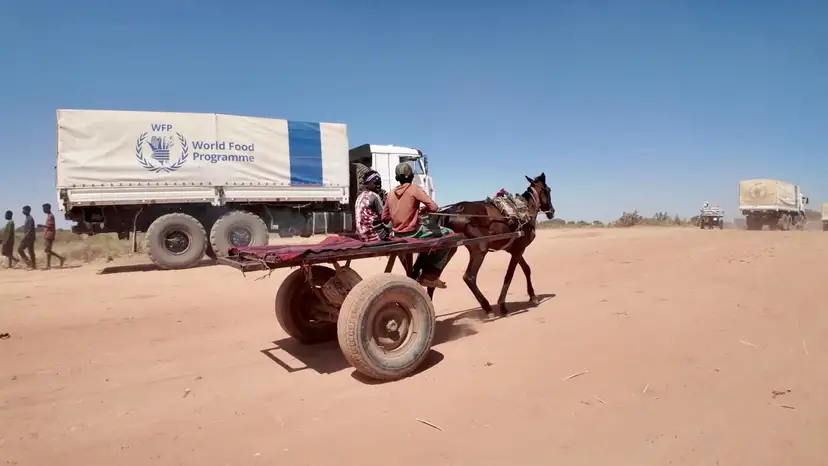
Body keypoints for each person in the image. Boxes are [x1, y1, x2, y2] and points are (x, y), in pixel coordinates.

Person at [381, 162, 453, 289]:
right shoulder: (414, 189)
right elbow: (434, 207)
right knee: (449, 234)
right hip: (414, 233)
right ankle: (431, 274)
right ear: (411, 176)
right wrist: (424, 209)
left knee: (432, 234)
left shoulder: (391, 194)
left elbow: (384, 218)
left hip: (397, 234)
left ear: (397, 177)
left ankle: (418, 269)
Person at [354, 170, 391, 242]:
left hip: (362, 236)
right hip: (374, 236)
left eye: (380, 183)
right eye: (375, 183)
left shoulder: (359, 197)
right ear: (367, 184)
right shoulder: (374, 196)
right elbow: (384, 217)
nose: (378, 186)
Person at [41, 203, 65, 269]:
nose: (43, 210)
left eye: (44, 208)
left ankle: (61, 258)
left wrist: (42, 226)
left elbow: (50, 225)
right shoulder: (49, 215)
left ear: (48, 208)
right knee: (48, 250)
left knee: (47, 250)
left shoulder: (51, 216)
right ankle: (48, 265)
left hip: (50, 235)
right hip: (47, 235)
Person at [17, 205, 36, 269]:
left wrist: (24, 238)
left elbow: (30, 229)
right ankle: (29, 262)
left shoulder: (30, 218)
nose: (22, 211)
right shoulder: (27, 218)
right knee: (20, 249)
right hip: (27, 238)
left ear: (27, 210)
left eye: (24, 210)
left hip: (30, 238)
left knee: (31, 251)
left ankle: (33, 265)